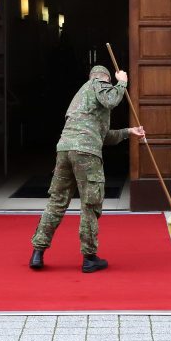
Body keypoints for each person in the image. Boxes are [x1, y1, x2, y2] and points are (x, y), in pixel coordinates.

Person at [29, 65, 145, 273]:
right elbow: (111, 100)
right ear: (105, 79)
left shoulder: (80, 98)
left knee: (57, 202)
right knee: (90, 204)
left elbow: (103, 135)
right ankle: (89, 257)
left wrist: (129, 131)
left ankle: (38, 251)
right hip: (87, 153)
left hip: (65, 149)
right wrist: (123, 82)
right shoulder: (97, 85)